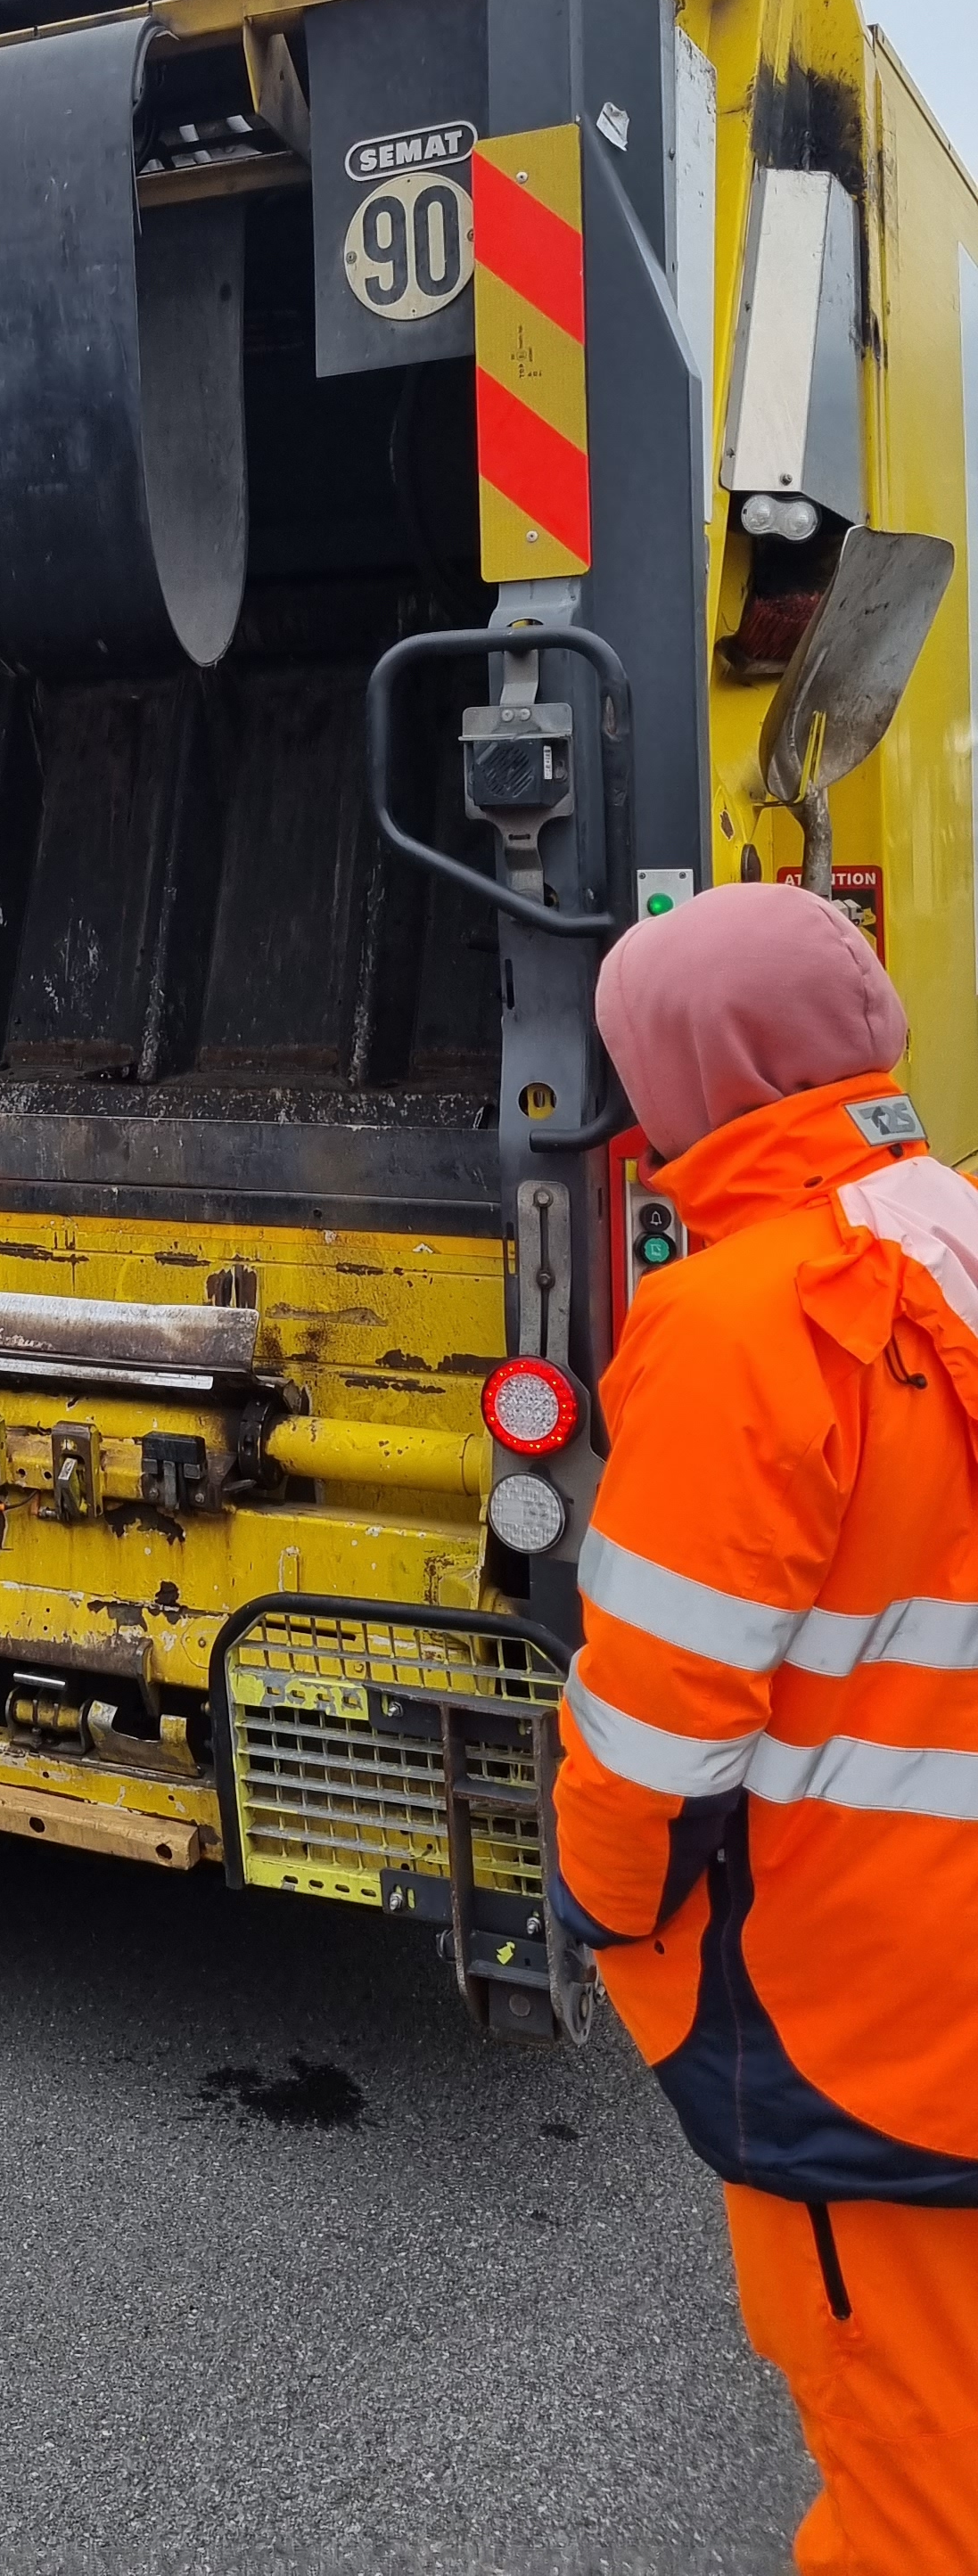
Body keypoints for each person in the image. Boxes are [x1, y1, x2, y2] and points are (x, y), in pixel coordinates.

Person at [553, 881, 978, 2572]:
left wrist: (598, 1900)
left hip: (864, 2002)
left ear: (684, 1078)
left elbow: (656, 1727)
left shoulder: (740, 1326)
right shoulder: (940, 1234)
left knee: (908, 2468)